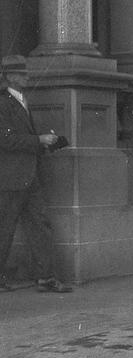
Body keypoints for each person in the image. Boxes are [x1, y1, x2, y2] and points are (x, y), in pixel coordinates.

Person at [0, 55, 72, 293]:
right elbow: (6, 140)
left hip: (25, 176)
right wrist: (38, 140)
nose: (27, 76)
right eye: (21, 73)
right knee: (5, 229)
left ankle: (46, 278)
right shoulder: (3, 103)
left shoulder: (19, 101)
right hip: (11, 177)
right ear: (9, 76)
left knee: (39, 226)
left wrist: (45, 143)